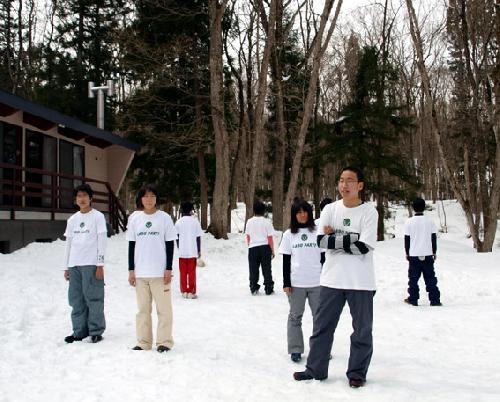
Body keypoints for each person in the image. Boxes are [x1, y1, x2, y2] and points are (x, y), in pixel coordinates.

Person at [293, 166, 378, 389]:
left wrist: (337, 239)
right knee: (322, 328)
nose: (344, 185)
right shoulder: (330, 209)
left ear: (360, 185)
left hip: (361, 282)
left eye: (350, 180)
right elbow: (320, 242)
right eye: (341, 180)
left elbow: (364, 247)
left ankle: (357, 373)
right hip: (331, 280)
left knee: (362, 331)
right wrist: (351, 238)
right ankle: (315, 369)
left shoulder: (369, 212)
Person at [127, 185, 177, 352]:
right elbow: (131, 246)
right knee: (142, 310)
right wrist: (131, 270)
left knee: (164, 310)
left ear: (156, 199)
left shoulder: (164, 218)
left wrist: (168, 268)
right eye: (146, 196)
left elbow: (170, 244)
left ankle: (164, 342)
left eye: (152, 196)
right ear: (141, 199)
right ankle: (143, 342)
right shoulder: (135, 219)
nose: (149, 199)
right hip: (141, 273)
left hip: (159, 273)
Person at [279, 199, 323, 363]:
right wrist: (286, 282)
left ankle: (321, 348)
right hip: (296, 284)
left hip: (317, 282)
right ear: (294, 215)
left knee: (319, 318)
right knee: (295, 317)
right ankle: (295, 349)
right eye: (299, 212)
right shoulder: (289, 234)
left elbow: (324, 257)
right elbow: (286, 260)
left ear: (309, 214)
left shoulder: (318, 232)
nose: (302, 214)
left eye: (305, 211)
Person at [63, 183, 107, 344]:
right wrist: (66, 267)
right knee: (76, 299)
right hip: (74, 264)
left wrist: (100, 264)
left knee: (93, 297)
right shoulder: (73, 219)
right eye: (79, 196)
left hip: (91, 263)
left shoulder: (98, 217)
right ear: (75, 199)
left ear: (90, 198)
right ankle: (79, 331)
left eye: (84, 196)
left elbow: (102, 241)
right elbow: (68, 243)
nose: (82, 199)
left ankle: (95, 331)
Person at [404, 197, 441, 306]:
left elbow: (407, 239)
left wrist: (407, 253)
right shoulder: (430, 222)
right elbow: (433, 238)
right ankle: (434, 300)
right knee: (430, 278)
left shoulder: (409, 222)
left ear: (413, 208)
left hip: (414, 254)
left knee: (413, 279)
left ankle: (413, 299)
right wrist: (434, 251)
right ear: (424, 207)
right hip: (427, 253)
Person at [245, 201, 275, 295]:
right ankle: (268, 288)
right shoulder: (267, 222)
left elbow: (248, 236)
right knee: (266, 268)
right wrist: (272, 250)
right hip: (265, 247)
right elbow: (270, 238)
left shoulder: (249, 221)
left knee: (253, 268)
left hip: (253, 248)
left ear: (254, 210)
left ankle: (253, 287)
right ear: (264, 211)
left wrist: (250, 246)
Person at [175, 201, 203, 299]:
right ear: (191, 210)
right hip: (192, 251)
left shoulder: (178, 222)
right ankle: (191, 291)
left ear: (182, 210)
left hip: (182, 252)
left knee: (182, 272)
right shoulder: (195, 222)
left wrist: (179, 247)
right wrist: (199, 250)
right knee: (191, 272)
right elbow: (198, 237)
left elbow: (177, 237)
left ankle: (184, 291)